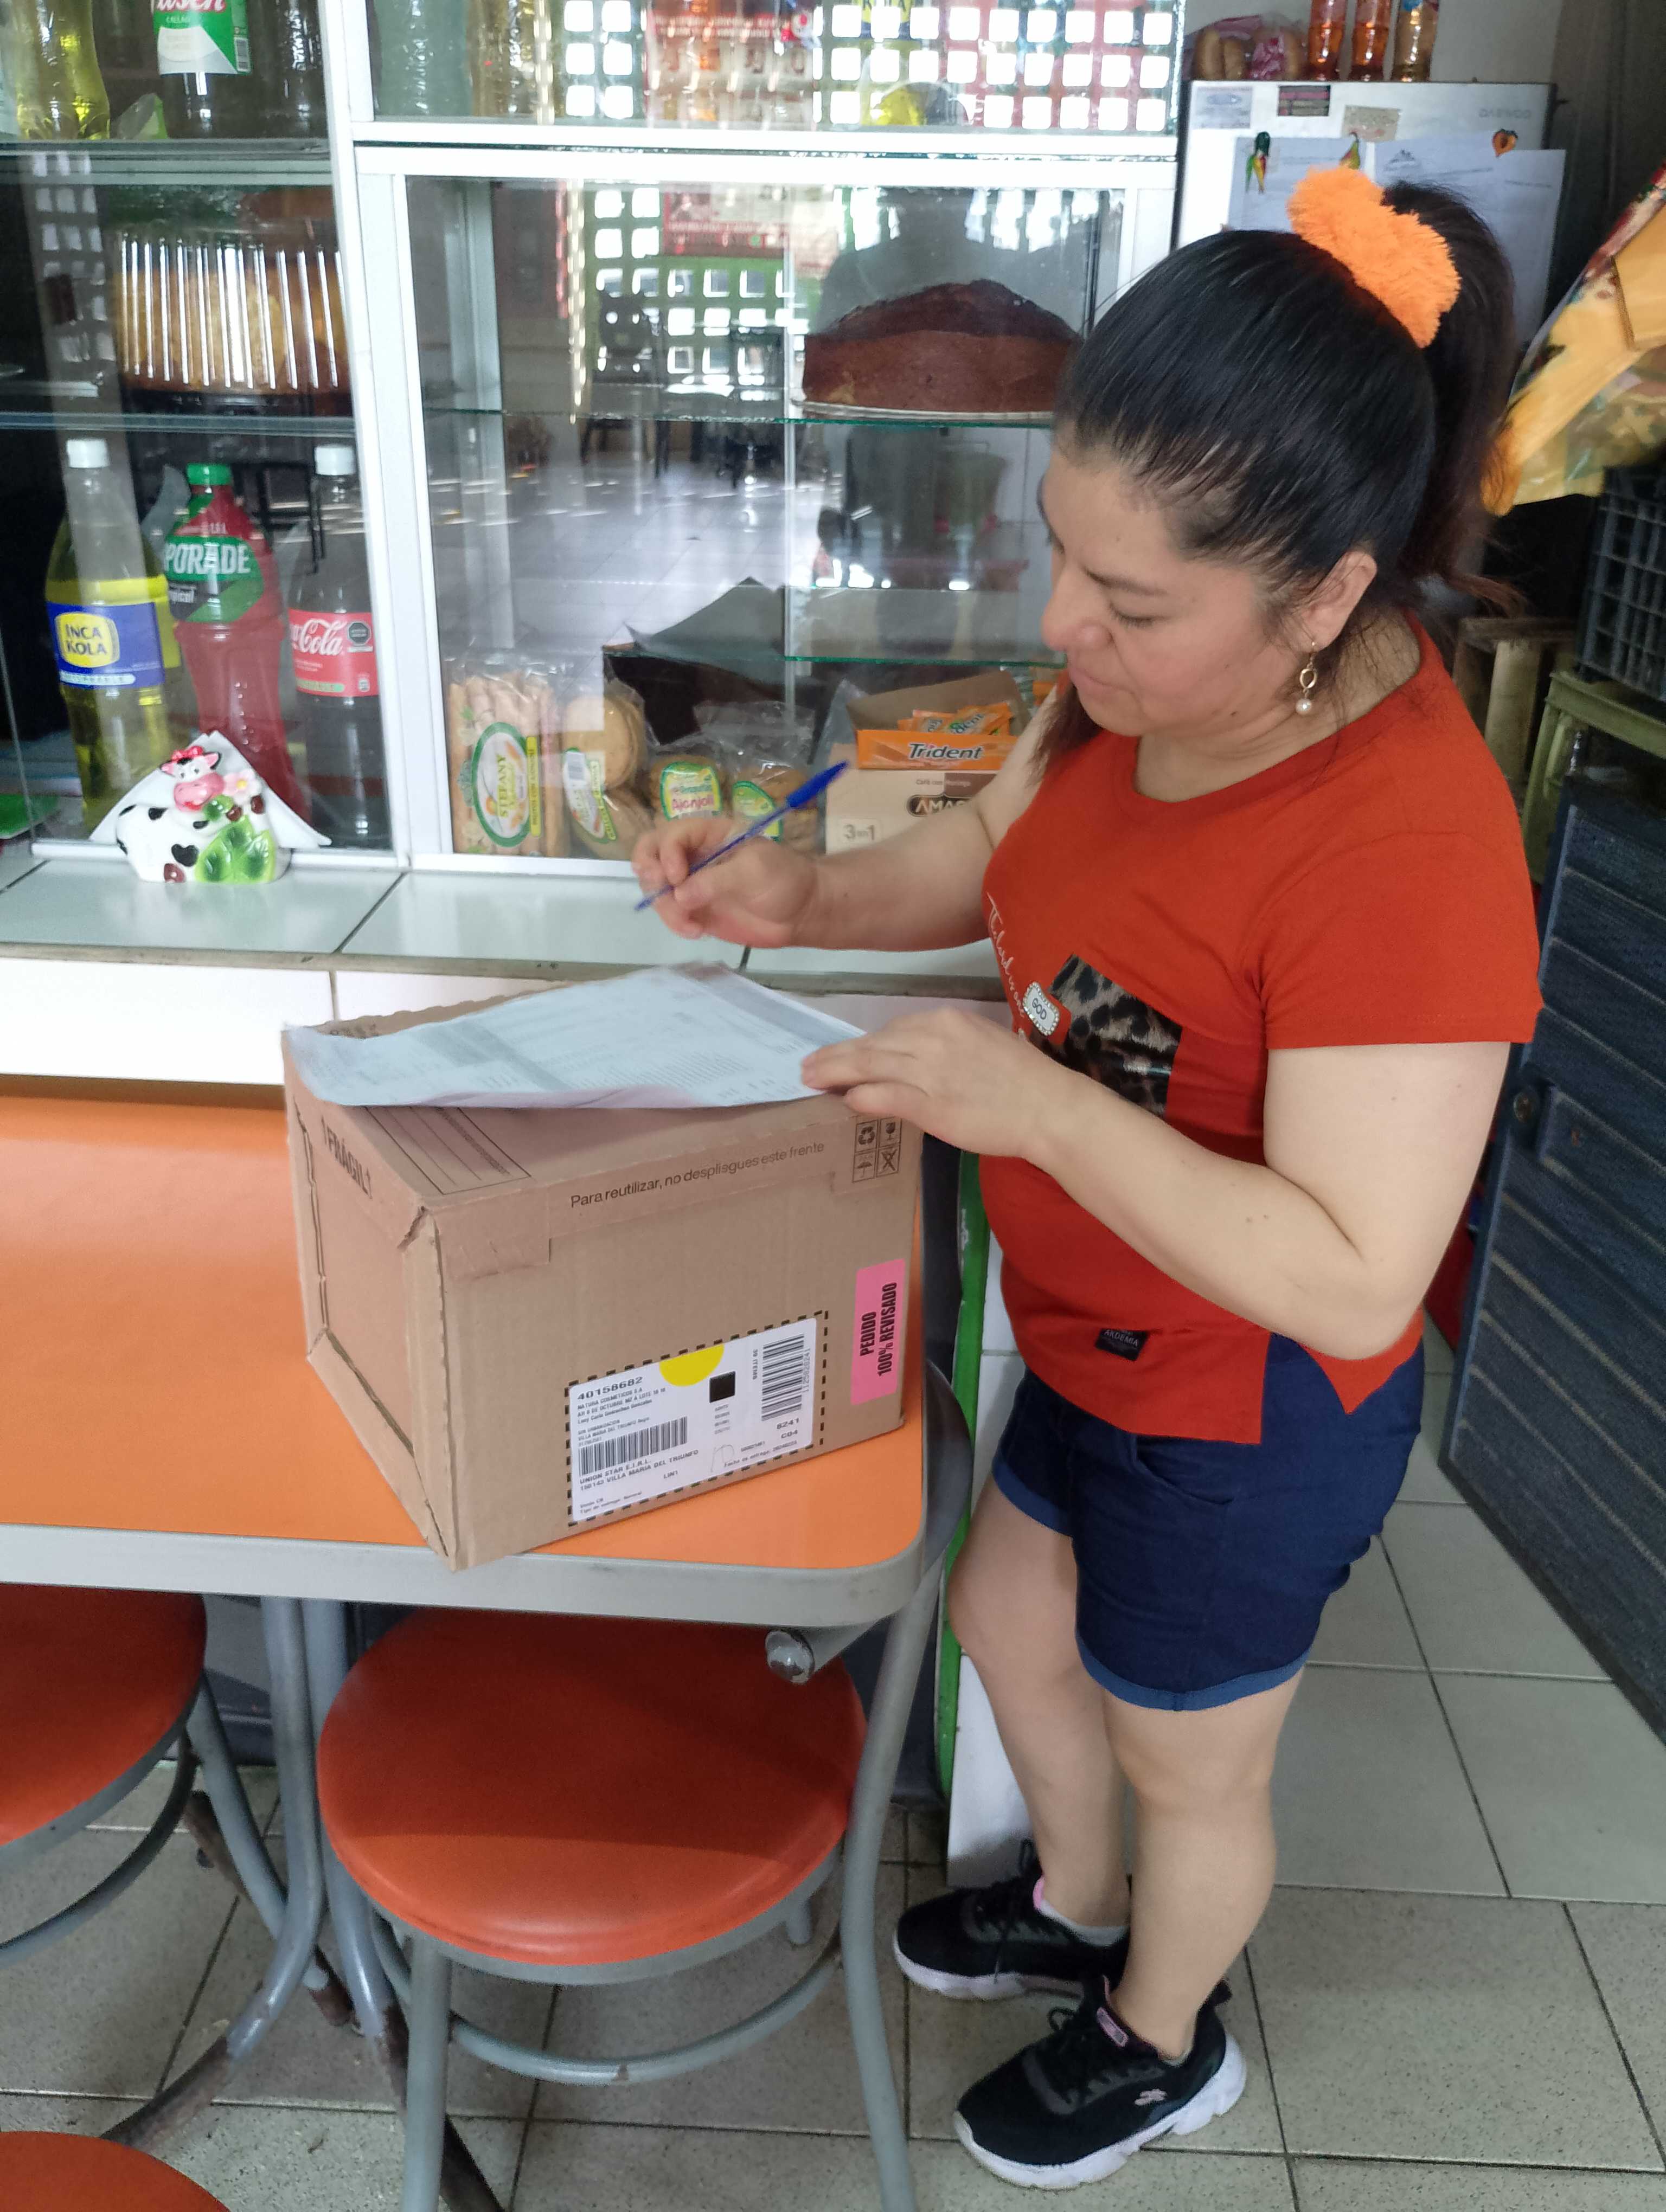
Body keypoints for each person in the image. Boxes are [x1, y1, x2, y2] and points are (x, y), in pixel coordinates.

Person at [633, 166, 1543, 2190]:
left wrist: (1036, 1110)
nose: (1066, 628)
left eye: (1130, 604)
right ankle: (1071, 1902)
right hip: (1098, 1333)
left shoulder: (1405, 850)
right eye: (1064, 552)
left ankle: (1161, 2033)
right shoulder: (1128, 699)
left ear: (1325, 598)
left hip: (1247, 1404)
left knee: (1188, 1748)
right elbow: (992, 852)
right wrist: (803, 896)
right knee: (1007, 1616)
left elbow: (1354, 1278)